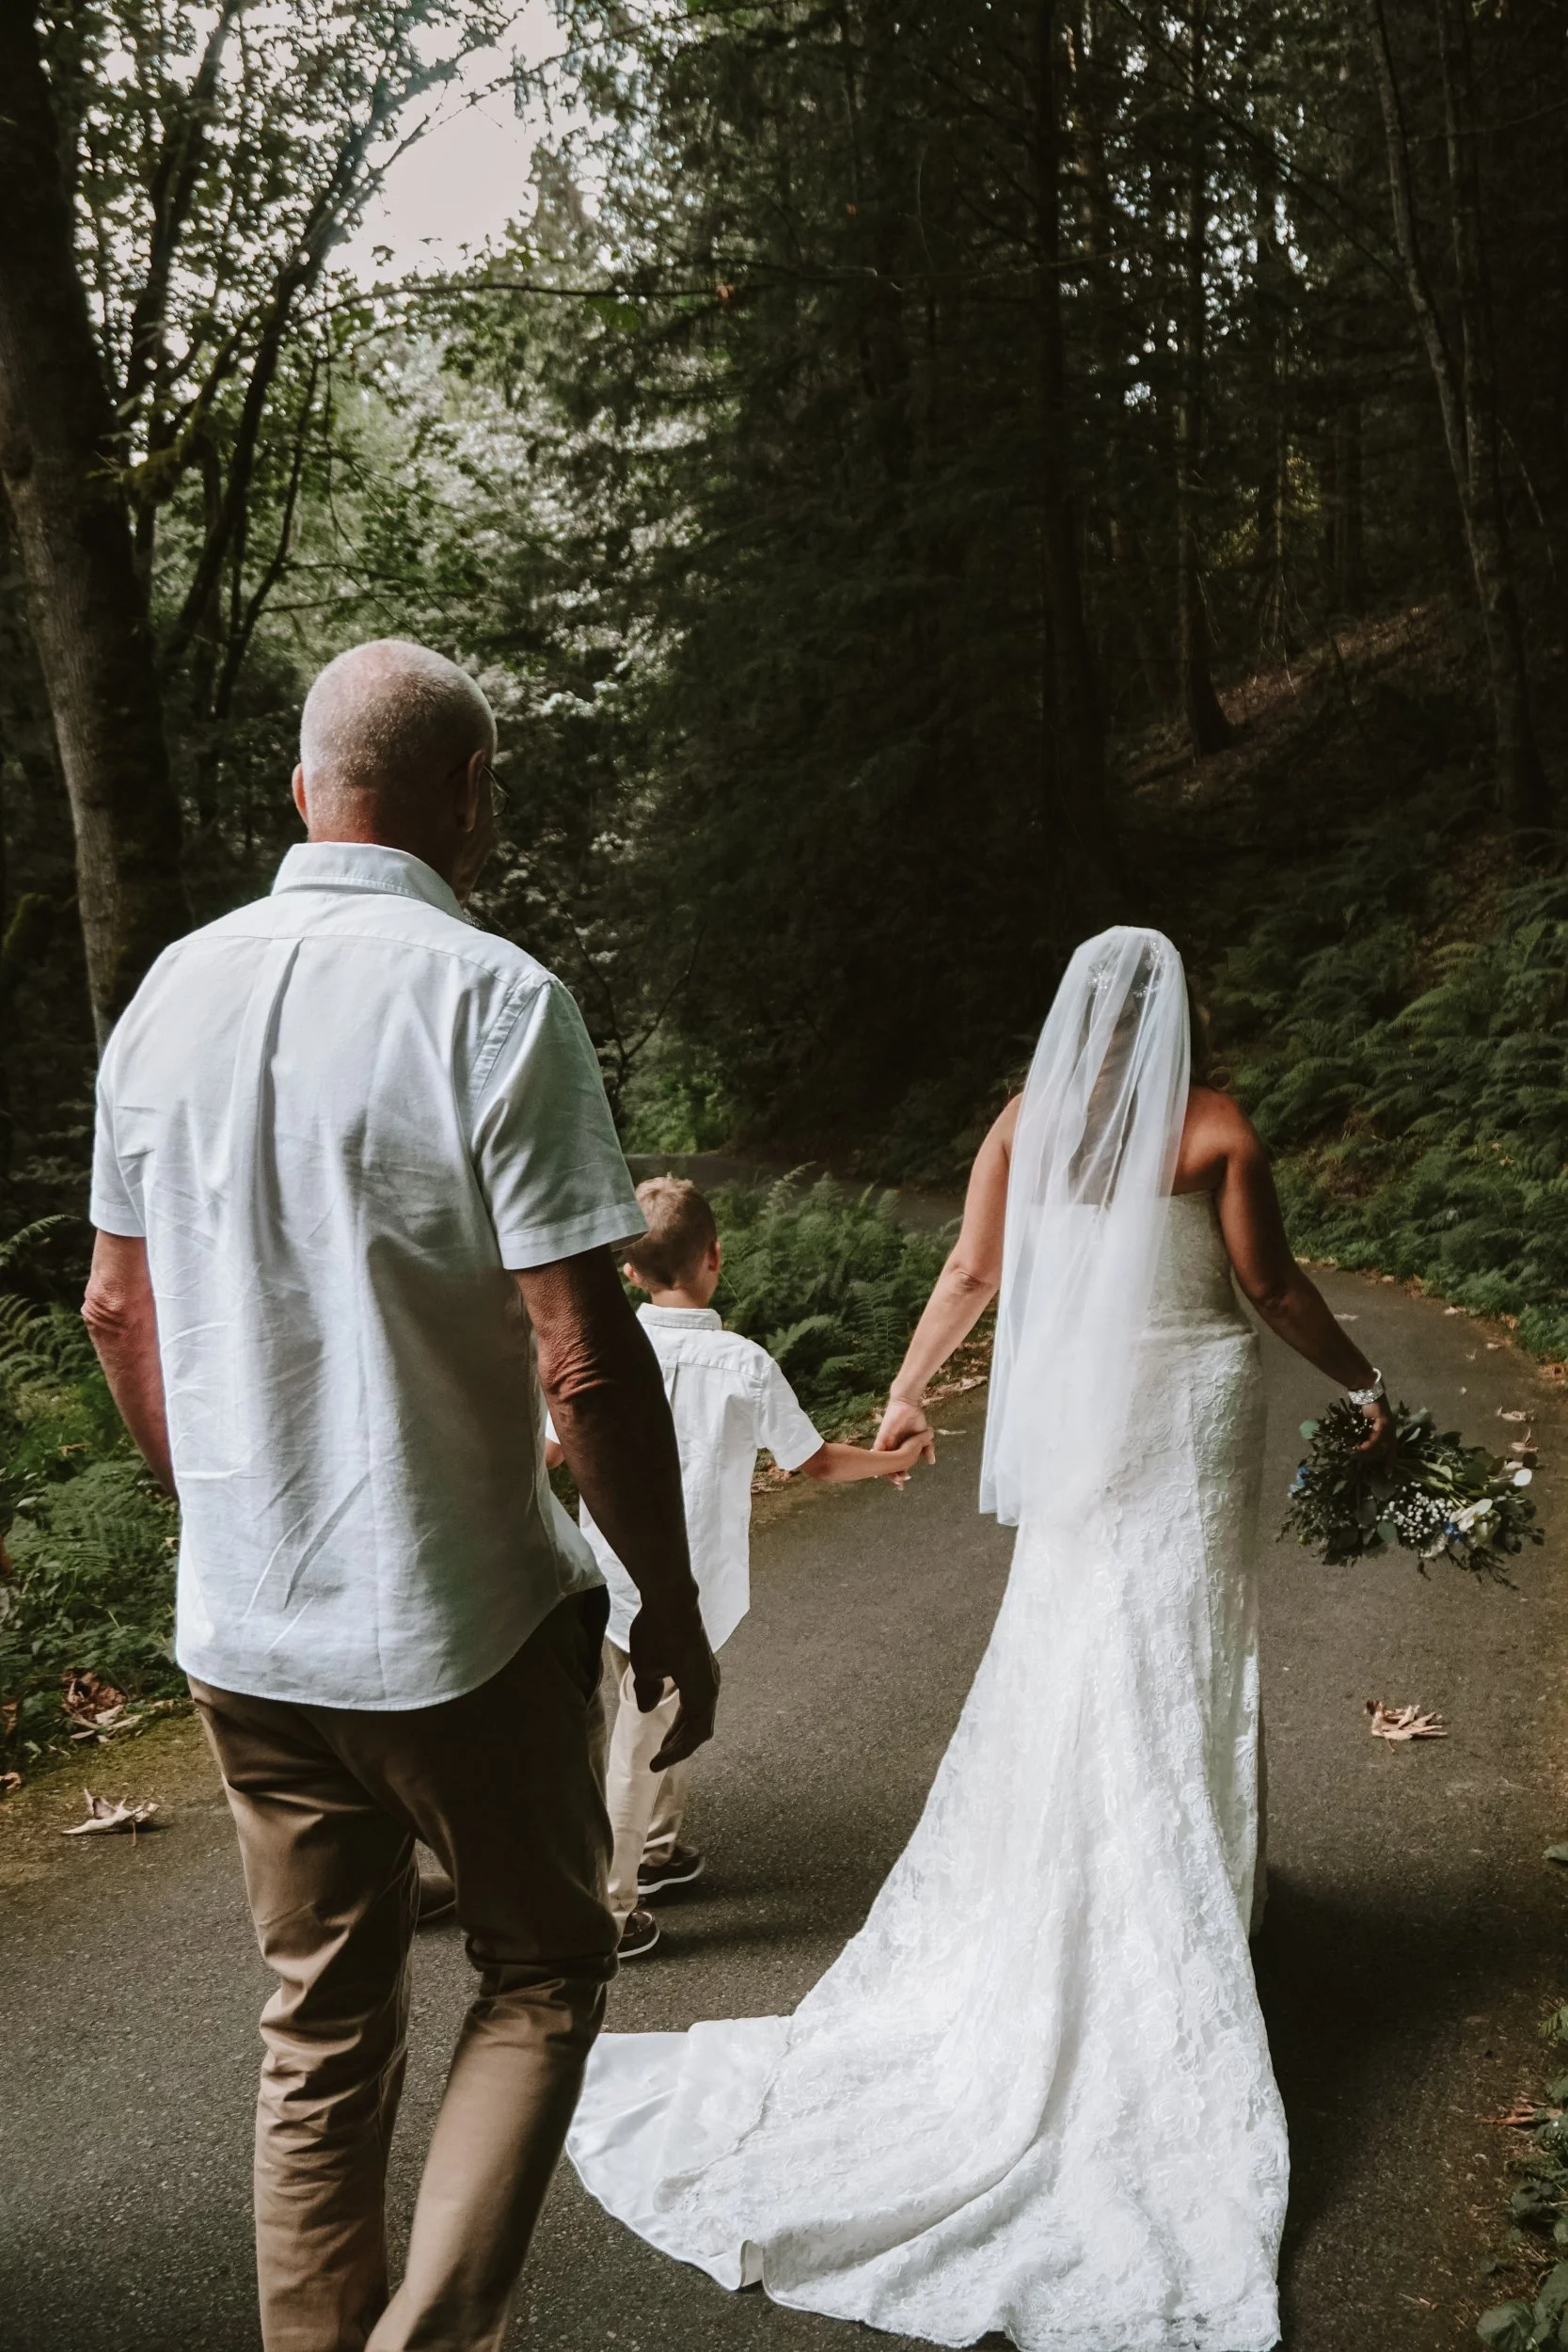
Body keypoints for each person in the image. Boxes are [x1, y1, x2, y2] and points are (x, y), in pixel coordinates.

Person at [567, 926, 1394, 2352]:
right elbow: (1266, 1291)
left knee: (1077, 1647)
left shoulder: (1022, 1125)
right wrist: (1363, 1378)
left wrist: (902, 1393)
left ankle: (1116, 1896)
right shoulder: (1212, 1132)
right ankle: (1176, 1908)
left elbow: (968, 1270)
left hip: (1090, 1433)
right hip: (1188, 1418)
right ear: (1173, 1012)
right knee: (1175, 1645)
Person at [82, 638, 719, 2352]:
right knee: (539, 1969)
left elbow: (114, 1307)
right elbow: (585, 1357)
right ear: (470, 796)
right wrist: (665, 1602)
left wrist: (220, 1508)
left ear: (303, 790)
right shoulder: (495, 998)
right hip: (462, 1621)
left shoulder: (169, 995)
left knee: (317, 2027)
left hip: (246, 1629)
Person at [548, 1174, 928, 1960]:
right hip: (688, 1580)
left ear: (628, 1270)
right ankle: (610, 1915)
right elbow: (814, 1463)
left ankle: (655, 1851)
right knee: (639, 1728)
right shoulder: (742, 1364)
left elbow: (550, 1450)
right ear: (715, 1257)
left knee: (643, 1709)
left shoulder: (594, 1345)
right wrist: (892, 1456)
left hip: (603, 1568)